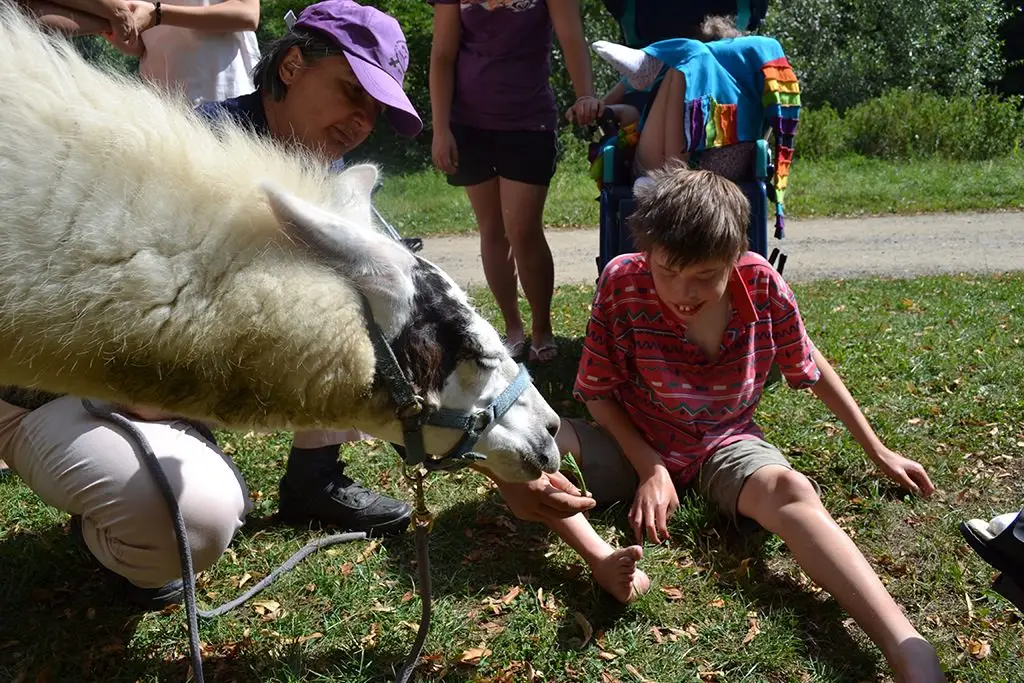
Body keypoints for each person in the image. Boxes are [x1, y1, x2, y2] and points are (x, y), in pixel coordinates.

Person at [0, 0, 423, 609]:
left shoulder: (329, 184)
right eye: (353, 92)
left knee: (358, 297)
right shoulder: (186, 151)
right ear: (293, 64)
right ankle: (123, 513)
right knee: (195, 513)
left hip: (155, 393)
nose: (363, 121)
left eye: (377, 110)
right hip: (55, 391)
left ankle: (315, 478)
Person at [561, 163, 945, 680]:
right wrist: (649, 466)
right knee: (537, 437)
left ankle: (905, 645)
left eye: (704, 276)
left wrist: (879, 449)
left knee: (790, 488)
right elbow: (598, 393)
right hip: (634, 439)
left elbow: (808, 363)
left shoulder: (762, 284)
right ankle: (599, 556)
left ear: (734, 258)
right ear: (647, 251)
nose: (682, 292)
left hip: (724, 444)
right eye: (668, 271)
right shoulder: (621, 281)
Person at [428, 0, 603, 364]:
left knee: (523, 229)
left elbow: (572, 38)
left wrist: (584, 93)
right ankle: (513, 330)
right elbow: (443, 55)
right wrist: (441, 129)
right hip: (469, 124)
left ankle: (542, 328)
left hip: (528, 121)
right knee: (492, 229)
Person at [593, 16, 800, 236]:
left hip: (703, 169)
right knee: (682, 66)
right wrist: (598, 107)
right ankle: (652, 65)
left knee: (688, 60)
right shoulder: (674, 78)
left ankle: (652, 61)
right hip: (657, 168)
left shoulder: (742, 87)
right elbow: (622, 112)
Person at [101, 0, 262, 106]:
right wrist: (112, 28)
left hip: (227, 98)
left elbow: (247, 13)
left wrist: (158, 15)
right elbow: (140, 46)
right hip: (166, 107)